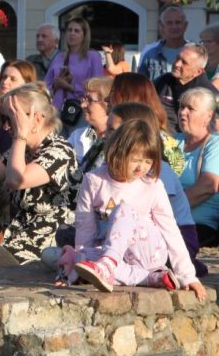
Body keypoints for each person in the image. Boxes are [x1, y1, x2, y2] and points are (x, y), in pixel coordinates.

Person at [66, 119, 206, 301]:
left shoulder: (152, 185)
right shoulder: (94, 180)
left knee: (124, 210)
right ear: (118, 153)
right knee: (73, 256)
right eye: (135, 160)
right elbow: (85, 225)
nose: (142, 167)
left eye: (148, 161)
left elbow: (170, 230)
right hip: (115, 254)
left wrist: (187, 275)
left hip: (147, 252)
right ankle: (149, 278)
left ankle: (108, 266)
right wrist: (81, 262)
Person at [0, 84, 78, 263]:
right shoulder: (25, 151)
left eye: (12, 118)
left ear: (37, 119)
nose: (8, 127)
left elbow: (16, 180)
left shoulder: (60, 152)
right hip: (14, 234)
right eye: (5, 118)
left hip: (46, 244)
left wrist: (20, 134)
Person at [175, 88, 219, 247]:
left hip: (198, 227)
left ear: (208, 116)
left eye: (190, 108)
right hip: (167, 223)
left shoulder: (215, 144)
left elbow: (208, 186)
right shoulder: (173, 142)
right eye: (181, 107)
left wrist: (166, 209)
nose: (183, 112)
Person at [44, 17, 104, 112]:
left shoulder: (93, 56)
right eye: (69, 30)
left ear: (84, 35)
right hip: (57, 109)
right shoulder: (60, 57)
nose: (72, 33)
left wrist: (69, 87)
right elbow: (45, 85)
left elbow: (98, 88)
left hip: (81, 110)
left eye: (76, 31)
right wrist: (57, 84)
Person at [154, 44, 218, 133]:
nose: (177, 64)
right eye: (177, 58)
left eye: (184, 62)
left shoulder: (208, 95)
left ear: (198, 71)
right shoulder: (163, 81)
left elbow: (215, 129)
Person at [68, 76, 114, 163]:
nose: (82, 105)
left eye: (89, 100)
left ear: (107, 104)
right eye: (84, 99)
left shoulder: (119, 141)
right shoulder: (77, 135)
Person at [138, 5, 190, 82]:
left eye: (178, 22)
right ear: (162, 26)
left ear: (185, 25)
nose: (174, 26)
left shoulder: (195, 53)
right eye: (169, 23)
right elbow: (141, 85)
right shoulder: (150, 54)